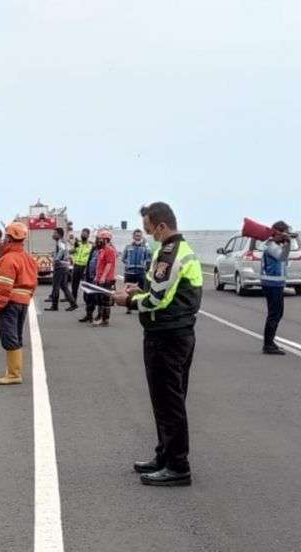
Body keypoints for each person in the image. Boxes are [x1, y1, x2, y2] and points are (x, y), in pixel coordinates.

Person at [113, 202, 203, 487]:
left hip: (167, 337)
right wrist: (141, 290)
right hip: (177, 334)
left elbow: (157, 301)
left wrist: (127, 300)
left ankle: (178, 466)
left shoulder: (169, 253)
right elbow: (162, 292)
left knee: (168, 402)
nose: (148, 233)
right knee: (168, 400)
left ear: (162, 226)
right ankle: (165, 455)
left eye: (149, 228)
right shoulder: (182, 250)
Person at [0, 222, 39, 385]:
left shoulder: (8, 259)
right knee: (16, 336)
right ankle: (13, 371)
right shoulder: (28, 258)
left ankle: (14, 374)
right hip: (23, 303)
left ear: (9, 238)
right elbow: (33, 283)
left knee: (9, 337)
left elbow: (2, 287)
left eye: (6, 237)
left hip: (10, 303)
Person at [261, 221, 293, 355]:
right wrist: (288, 243)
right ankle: (268, 345)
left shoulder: (272, 244)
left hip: (276, 284)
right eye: (285, 232)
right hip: (272, 284)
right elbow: (282, 257)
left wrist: (285, 242)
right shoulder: (271, 245)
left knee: (277, 314)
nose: (287, 235)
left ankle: (270, 342)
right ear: (279, 232)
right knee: (274, 315)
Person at [122, 229, 153, 313]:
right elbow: (123, 258)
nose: (137, 237)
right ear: (133, 236)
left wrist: (145, 266)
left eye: (139, 235)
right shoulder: (128, 246)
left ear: (141, 236)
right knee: (128, 290)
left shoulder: (145, 247)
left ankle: (140, 305)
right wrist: (128, 264)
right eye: (136, 235)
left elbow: (149, 258)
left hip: (141, 272)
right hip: (129, 272)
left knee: (142, 290)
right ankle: (128, 307)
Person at [91, 230, 118, 327]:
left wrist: (103, 277)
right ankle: (100, 316)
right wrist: (96, 277)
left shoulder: (109, 250)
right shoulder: (102, 250)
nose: (98, 241)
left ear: (106, 239)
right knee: (99, 299)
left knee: (105, 300)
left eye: (100, 239)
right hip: (99, 279)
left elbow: (109, 264)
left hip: (106, 280)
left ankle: (105, 319)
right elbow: (99, 265)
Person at [46, 227, 75, 311]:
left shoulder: (61, 241)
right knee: (64, 286)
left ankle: (54, 306)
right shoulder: (61, 242)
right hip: (64, 266)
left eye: (55, 233)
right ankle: (73, 303)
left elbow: (62, 251)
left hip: (60, 267)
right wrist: (54, 254)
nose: (53, 235)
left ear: (59, 234)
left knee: (56, 286)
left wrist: (56, 259)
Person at [78, 234, 101, 323]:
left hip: (98, 277)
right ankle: (89, 315)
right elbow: (89, 261)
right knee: (88, 296)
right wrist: (85, 273)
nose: (98, 241)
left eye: (100, 240)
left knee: (98, 298)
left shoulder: (106, 250)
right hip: (89, 276)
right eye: (97, 239)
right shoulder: (94, 249)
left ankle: (100, 316)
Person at [70, 228, 92, 311]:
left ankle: (87, 301)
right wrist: (74, 247)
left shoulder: (90, 246)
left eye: (85, 234)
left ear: (88, 235)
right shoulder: (77, 243)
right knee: (74, 285)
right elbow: (70, 252)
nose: (83, 235)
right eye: (82, 234)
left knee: (85, 285)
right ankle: (73, 302)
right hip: (76, 266)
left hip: (85, 267)